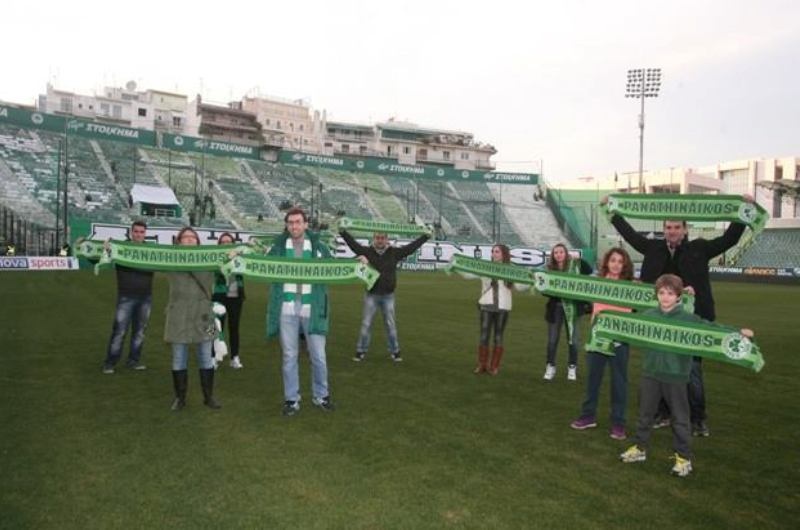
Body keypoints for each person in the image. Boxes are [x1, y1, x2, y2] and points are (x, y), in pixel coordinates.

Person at [606, 195, 751, 436]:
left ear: (685, 229)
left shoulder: (700, 248)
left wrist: (744, 209)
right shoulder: (652, 248)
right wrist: (612, 211)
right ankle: (663, 414)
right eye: (668, 227)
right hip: (659, 320)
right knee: (661, 368)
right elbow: (629, 234)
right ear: (664, 229)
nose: (672, 231)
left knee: (692, 371)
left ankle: (698, 419)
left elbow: (730, 239)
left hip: (693, 320)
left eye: (676, 227)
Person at [619, 274, 754, 477]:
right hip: (650, 373)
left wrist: (737, 332)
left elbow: (711, 329)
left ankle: (683, 458)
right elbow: (628, 325)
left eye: (670, 293)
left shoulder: (687, 319)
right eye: (662, 293)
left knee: (680, 418)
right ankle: (639, 448)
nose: (665, 297)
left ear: (678, 296)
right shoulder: (649, 315)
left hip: (676, 376)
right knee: (645, 414)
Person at [267, 207, 334, 416]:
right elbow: (260, 263)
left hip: (312, 307)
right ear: (287, 226)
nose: (294, 226)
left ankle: (321, 395)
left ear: (306, 224)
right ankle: (291, 399)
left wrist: (357, 263)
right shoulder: (277, 248)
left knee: (319, 356)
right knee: (289, 356)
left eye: (298, 222)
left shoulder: (319, 247)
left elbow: (335, 267)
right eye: (290, 223)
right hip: (286, 306)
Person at [570, 247, 634, 440]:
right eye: (613, 260)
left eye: (620, 261)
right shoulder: (597, 282)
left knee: (619, 383)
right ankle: (588, 416)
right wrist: (575, 261)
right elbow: (573, 280)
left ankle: (618, 423)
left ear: (625, 265)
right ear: (606, 262)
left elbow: (659, 293)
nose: (616, 264)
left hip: (620, 338)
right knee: (592, 380)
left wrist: (685, 291)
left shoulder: (632, 286)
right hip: (597, 337)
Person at [339, 227, 429, 362]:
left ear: (387, 239)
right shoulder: (367, 252)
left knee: (391, 325)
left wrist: (425, 237)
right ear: (373, 239)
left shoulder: (394, 252)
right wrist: (343, 232)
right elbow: (353, 245)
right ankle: (361, 351)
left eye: (382, 238)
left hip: (388, 296)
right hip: (372, 295)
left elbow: (411, 248)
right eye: (377, 238)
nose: (380, 240)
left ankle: (395, 351)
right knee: (366, 324)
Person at [165, 226, 220, 411]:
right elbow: (141, 257)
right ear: (178, 241)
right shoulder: (170, 259)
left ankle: (209, 396)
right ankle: (180, 398)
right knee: (178, 358)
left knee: (206, 356)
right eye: (185, 237)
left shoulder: (208, 259)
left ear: (198, 242)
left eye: (193, 237)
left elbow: (228, 263)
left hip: (205, 316)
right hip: (177, 315)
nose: (189, 240)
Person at [102, 221, 153, 374]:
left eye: (141, 232)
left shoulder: (151, 250)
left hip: (145, 297)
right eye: (136, 231)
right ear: (131, 233)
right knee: (119, 331)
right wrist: (105, 250)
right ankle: (110, 362)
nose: (138, 234)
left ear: (145, 233)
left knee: (139, 332)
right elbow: (98, 259)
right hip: (126, 296)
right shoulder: (121, 248)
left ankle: (133, 361)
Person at [542, 243, 593, 381]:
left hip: (574, 308)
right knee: (552, 340)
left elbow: (589, 270)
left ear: (566, 254)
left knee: (573, 340)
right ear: (553, 255)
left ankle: (572, 367)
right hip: (555, 308)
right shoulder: (549, 269)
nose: (558, 255)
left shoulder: (575, 266)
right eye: (556, 252)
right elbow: (544, 291)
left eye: (561, 252)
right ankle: (550, 366)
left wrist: (579, 260)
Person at [474, 244, 513, 375]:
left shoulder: (511, 269)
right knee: (484, 336)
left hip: (503, 307)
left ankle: (494, 366)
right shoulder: (486, 267)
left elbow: (520, 286)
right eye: (492, 251)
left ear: (503, 254)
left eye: (496, 251)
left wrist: (531, 279)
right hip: (487, 305)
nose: (493, 254)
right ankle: (482, 365)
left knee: (498, 336)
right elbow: (471, 274)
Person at [213, 232, 246, 369]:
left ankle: (235, 357)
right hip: (219, 295)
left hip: (235, 296)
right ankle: (214, 356)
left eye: (229, 242)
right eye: (223, 242)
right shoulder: (215, 258)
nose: (226, 244)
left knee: (234, 327)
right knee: (215, 327)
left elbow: (243, 273)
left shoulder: (240, 258)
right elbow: (216, 273)